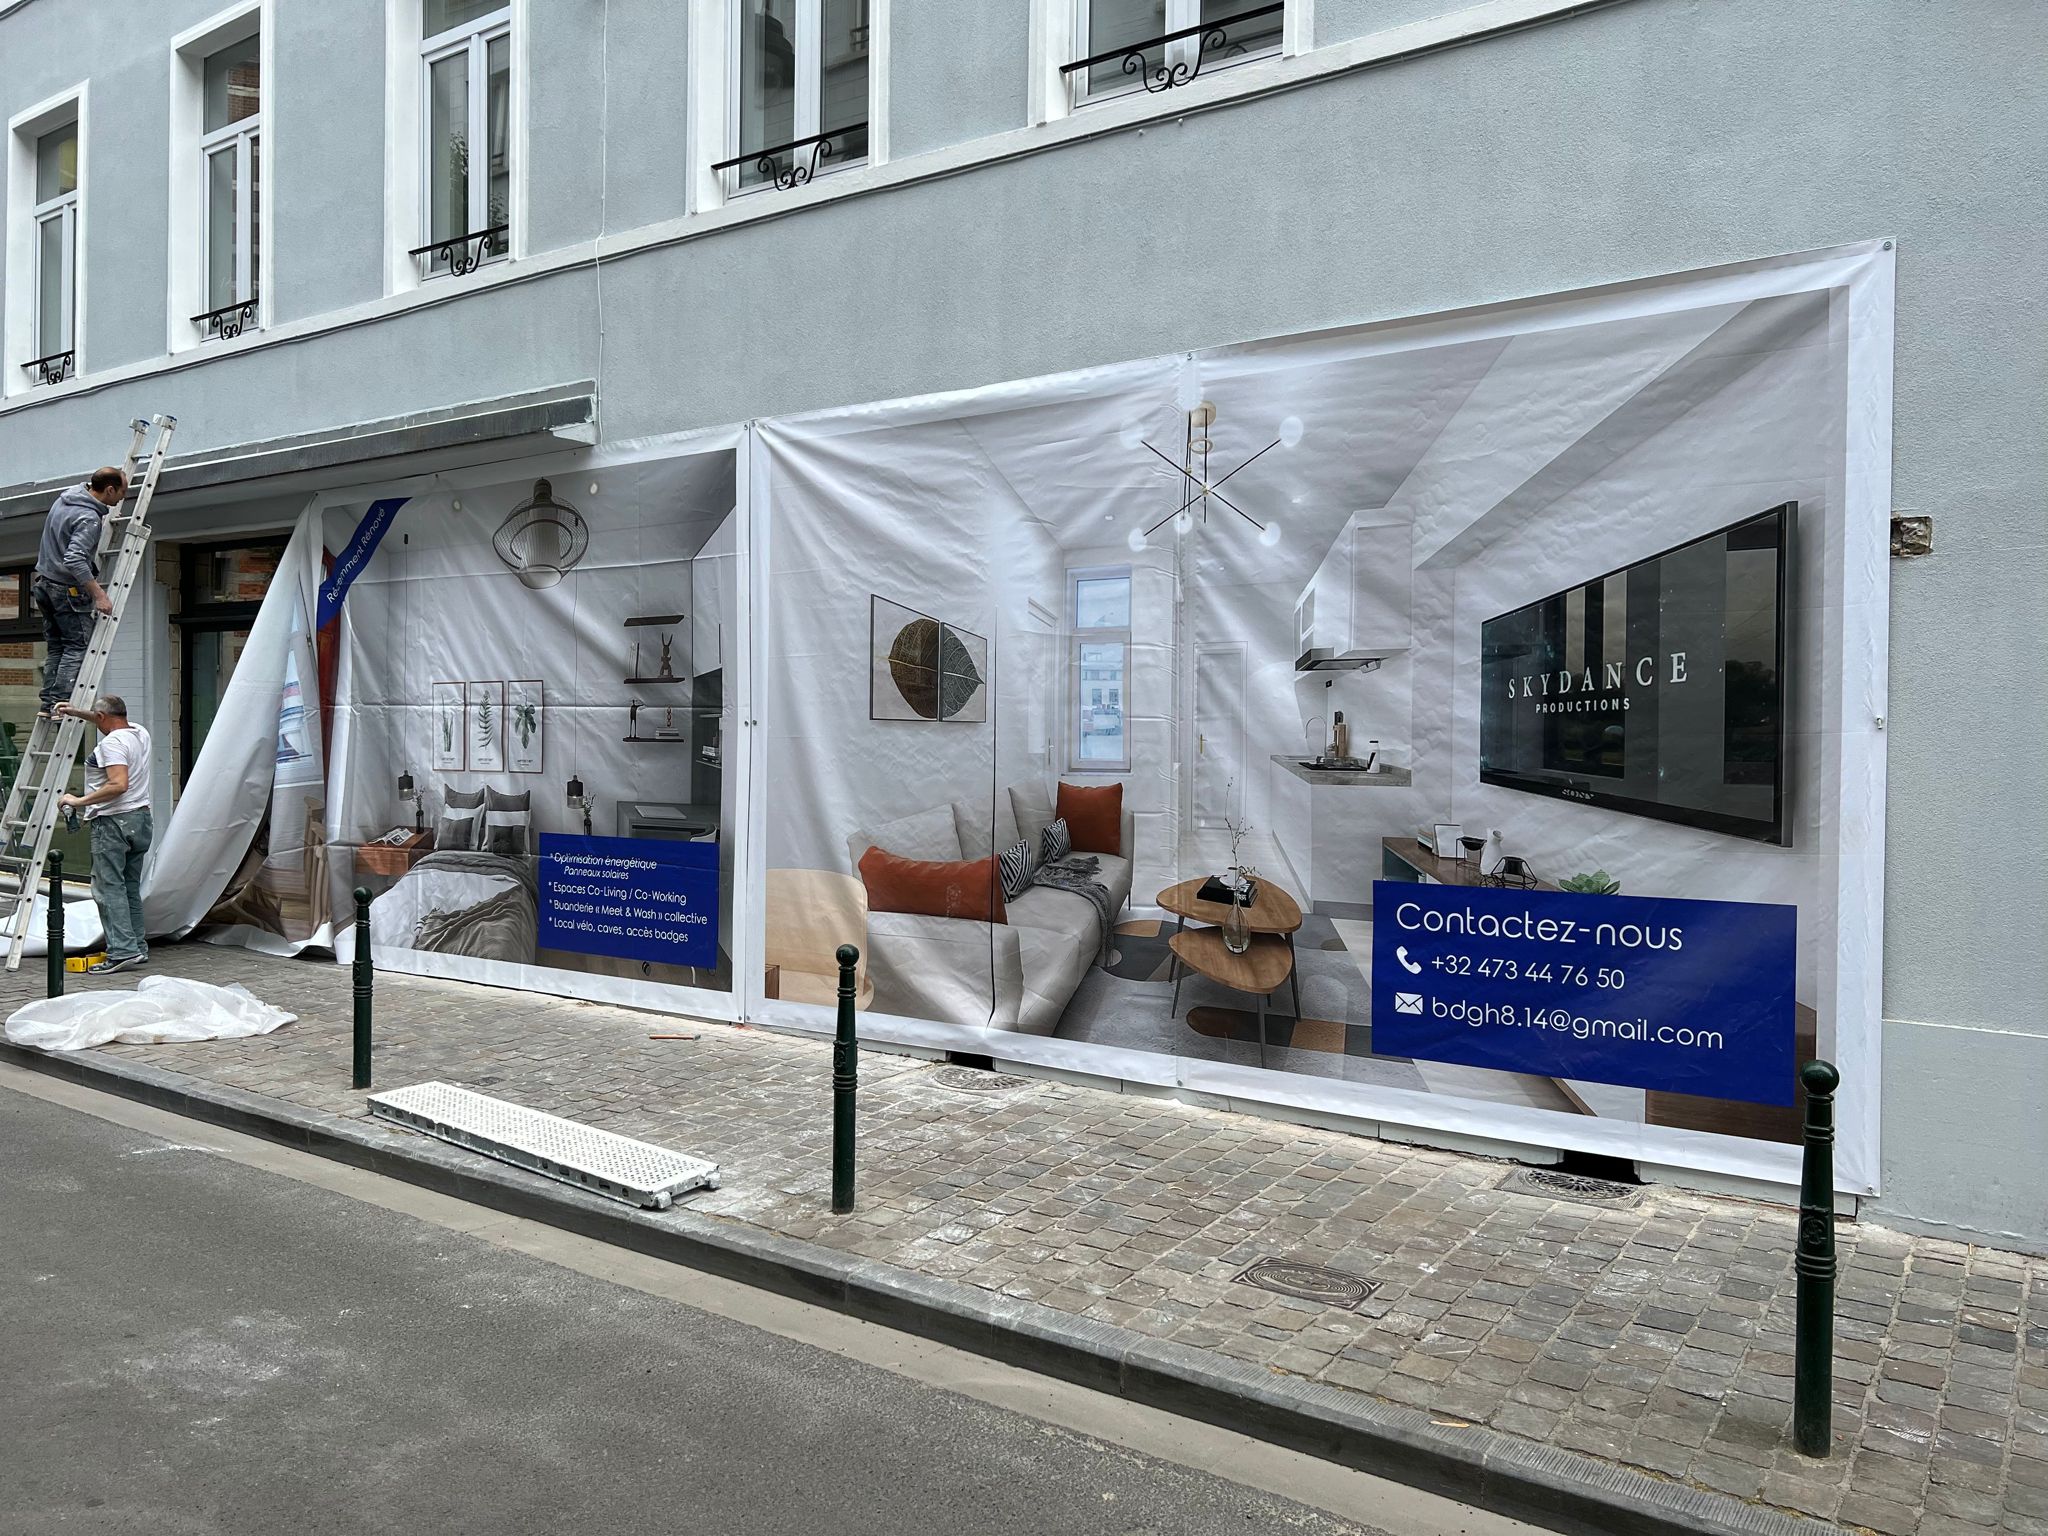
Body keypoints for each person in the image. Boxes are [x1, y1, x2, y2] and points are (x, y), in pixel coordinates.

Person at [56, 695, 152, 976]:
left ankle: (122, 951)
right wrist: (76, 712)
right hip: (140, 820)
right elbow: (105, 716)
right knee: (128, 886)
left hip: (114, 823)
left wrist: (78, 801)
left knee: (108, 889)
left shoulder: (111, 744)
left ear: (102, 717)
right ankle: (136, 947)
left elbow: (118, 784)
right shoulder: (139, 733)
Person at [33, 466, 126, 717]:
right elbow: (74, 559)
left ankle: (48, 704)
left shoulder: (66, 499)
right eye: (122, 492)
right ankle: (61, 704)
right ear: (109, 490)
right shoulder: (88, 519)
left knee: (57, 647)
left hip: (43, 583)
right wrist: (99, 595)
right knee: (76, 646)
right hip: (66, 589)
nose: (123, 498)